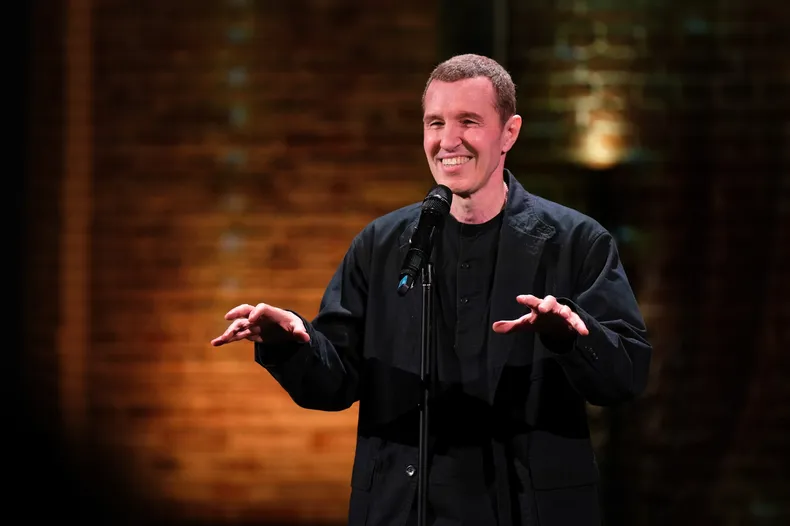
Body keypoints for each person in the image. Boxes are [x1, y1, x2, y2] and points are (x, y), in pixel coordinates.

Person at [211, 54, 651, 526]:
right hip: (402, 510)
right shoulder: (381, 245)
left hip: (529, 510)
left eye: (468, 122)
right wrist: (291, 342)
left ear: (509, 133)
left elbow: (625, 377)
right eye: (435, 123)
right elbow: (335, 384)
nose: (448, 140)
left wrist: (571, 337)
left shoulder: (576, 242)